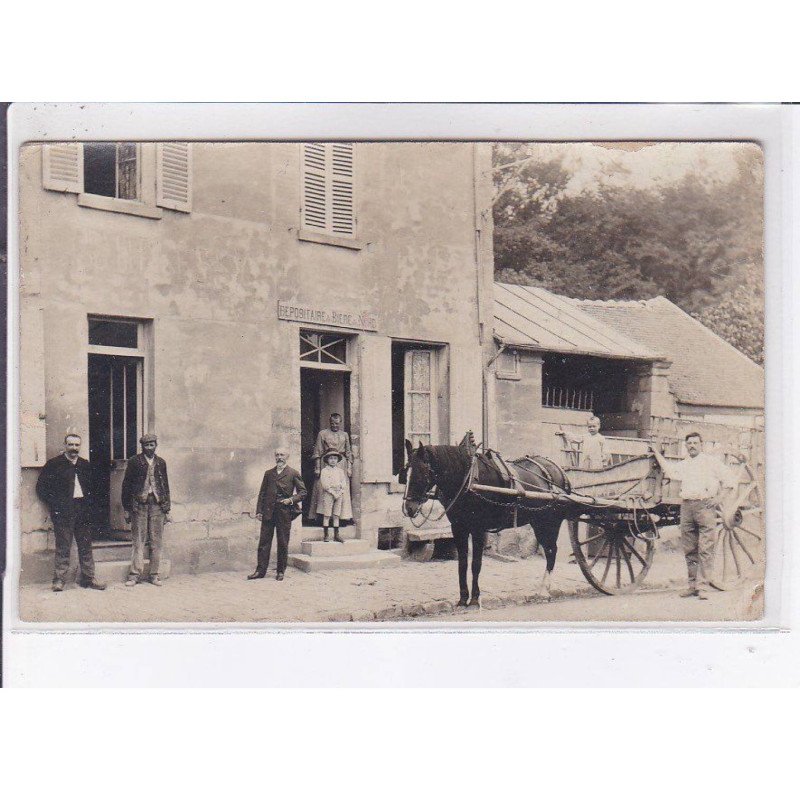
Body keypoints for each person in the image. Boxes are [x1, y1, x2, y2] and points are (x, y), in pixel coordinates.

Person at [651, 432, 736, 600]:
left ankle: (703, 587)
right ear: (686, 446)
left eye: (695, 443)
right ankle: (692, 585)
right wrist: (656, 453)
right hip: (687, 506)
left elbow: (730, 480)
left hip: (705, 506)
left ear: (701, 445)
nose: (692, 446)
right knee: (689, 548)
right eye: (689, 443)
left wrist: (718, 499)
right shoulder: (685, 464)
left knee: (705, 548)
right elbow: (670, 471)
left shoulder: (711, 462)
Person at [35, 433, 106, 592]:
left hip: (83, 511)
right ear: (65, 445)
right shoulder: (54, 464)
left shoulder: (85, 465)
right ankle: (59, 580)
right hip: (64, 512)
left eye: (76, 445)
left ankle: (88, 578)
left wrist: (90, 507)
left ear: (79, 446)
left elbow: (95, 488)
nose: (74, 448)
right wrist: (56, 505)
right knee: (63, 546)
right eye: (71, 445)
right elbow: (41, 488)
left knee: (86, 546)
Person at [249, 447, 307, 581]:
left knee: (282, 542)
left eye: (282, 455)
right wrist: (259, 511)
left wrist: (291, 500)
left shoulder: (293, 473)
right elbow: (262, 493)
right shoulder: (268, 473)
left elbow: (303, 492)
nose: (279, 457)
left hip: (284, 513)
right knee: (264, 542)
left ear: (287, 457)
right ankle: (260, 571)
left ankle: (281, 571)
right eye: (277, 455)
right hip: (268, 512)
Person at [121, 433, 171, 587]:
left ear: (156, 445)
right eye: (146, 445)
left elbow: (165, 486)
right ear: (142, 446)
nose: (149, 448)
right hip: (139, 505)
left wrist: (167, 508)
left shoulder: (161, 462)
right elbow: (126, 485)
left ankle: (154, 574)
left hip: (157, 505)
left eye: (152, 445)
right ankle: (135, 575)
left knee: (156, 541)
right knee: (138, 541)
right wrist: (127, 508)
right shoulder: (134, 462)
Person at [307, 413, 353, 521]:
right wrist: (318, 467)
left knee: (341, 488)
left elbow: (349, 452)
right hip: (326, 461)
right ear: (329, 422)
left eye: (337, 423)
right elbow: (318, 451)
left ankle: (341, 517)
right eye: (332, 423)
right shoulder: (323, 433)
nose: (334, 425)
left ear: (340, 422)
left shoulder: (344, 434)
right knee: (324, 487)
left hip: (341, 464)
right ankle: (323, 516)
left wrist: (349, 467)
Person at [315, 449, 353, 542]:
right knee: (327, 514)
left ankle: (336, 535)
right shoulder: (324, 471)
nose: (333, 460)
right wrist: (332, 492)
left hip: (339, 494)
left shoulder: (340, 471)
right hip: (329, 493)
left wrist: (339, 492)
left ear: (337, 460)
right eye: (331, 458)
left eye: (335, 458)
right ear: (327, 460)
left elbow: (343, 482)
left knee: (336, 515)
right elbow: (324, 484)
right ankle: (326, 535)